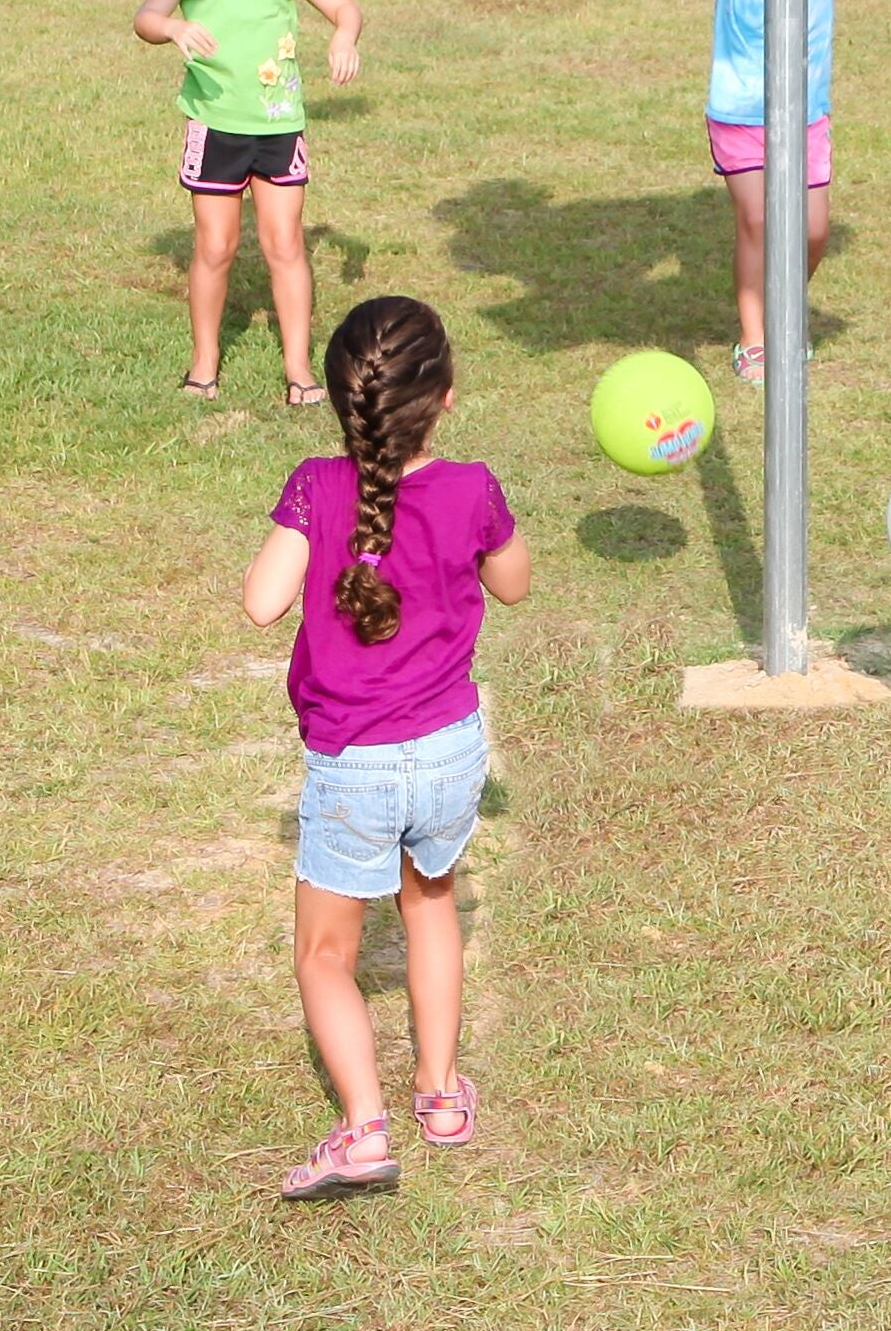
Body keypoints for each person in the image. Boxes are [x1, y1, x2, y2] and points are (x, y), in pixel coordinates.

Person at [238, 297, 529, 1200]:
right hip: (449, 751)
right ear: (444, 396)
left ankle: (364, 1131)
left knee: (326, 954)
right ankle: (441, 1098)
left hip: (354, 763)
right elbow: (514, 584)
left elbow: (260, 601)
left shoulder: (318, 487)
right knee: (431, 901)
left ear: (341, 400)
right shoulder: (473, 487)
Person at [136, 0, 363, 405]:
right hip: (215, 123)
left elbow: (344, 7)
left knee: (285, 244)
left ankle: (300, 372)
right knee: (217, 246)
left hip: (279, 123)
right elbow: (147, 17)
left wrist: (343, 35)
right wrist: (173, 28)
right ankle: (204, 365)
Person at [681, 0, 871, 382]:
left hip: (805, 117)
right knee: (760, 223)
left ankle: (783, 312)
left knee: (813, 230)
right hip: (739, 114)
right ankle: (755, 337)